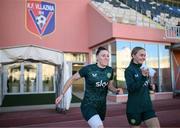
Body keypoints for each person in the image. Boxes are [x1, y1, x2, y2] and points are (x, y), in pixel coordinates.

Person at [55, 47, 123, 128]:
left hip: (101, 106)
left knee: (98, 125)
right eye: (103, 55)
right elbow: (72, 79)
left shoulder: (110, 70)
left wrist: (116, 90)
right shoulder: (88, 69)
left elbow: (109, 85)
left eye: (108, 56)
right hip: (88, 104)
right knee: (99, 126)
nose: (106, 58)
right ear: (97, 57)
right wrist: (62, 94)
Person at [124, 47, 160, 128]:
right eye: (141, 55)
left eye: (144, 55)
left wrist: (150, 87)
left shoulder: (144, 68)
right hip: (134, 108)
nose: (143, 57)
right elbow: (131, 88)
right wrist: (143, 77)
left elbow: (144, 86)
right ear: (133, 55)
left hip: (147, 106)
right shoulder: (129, 70)